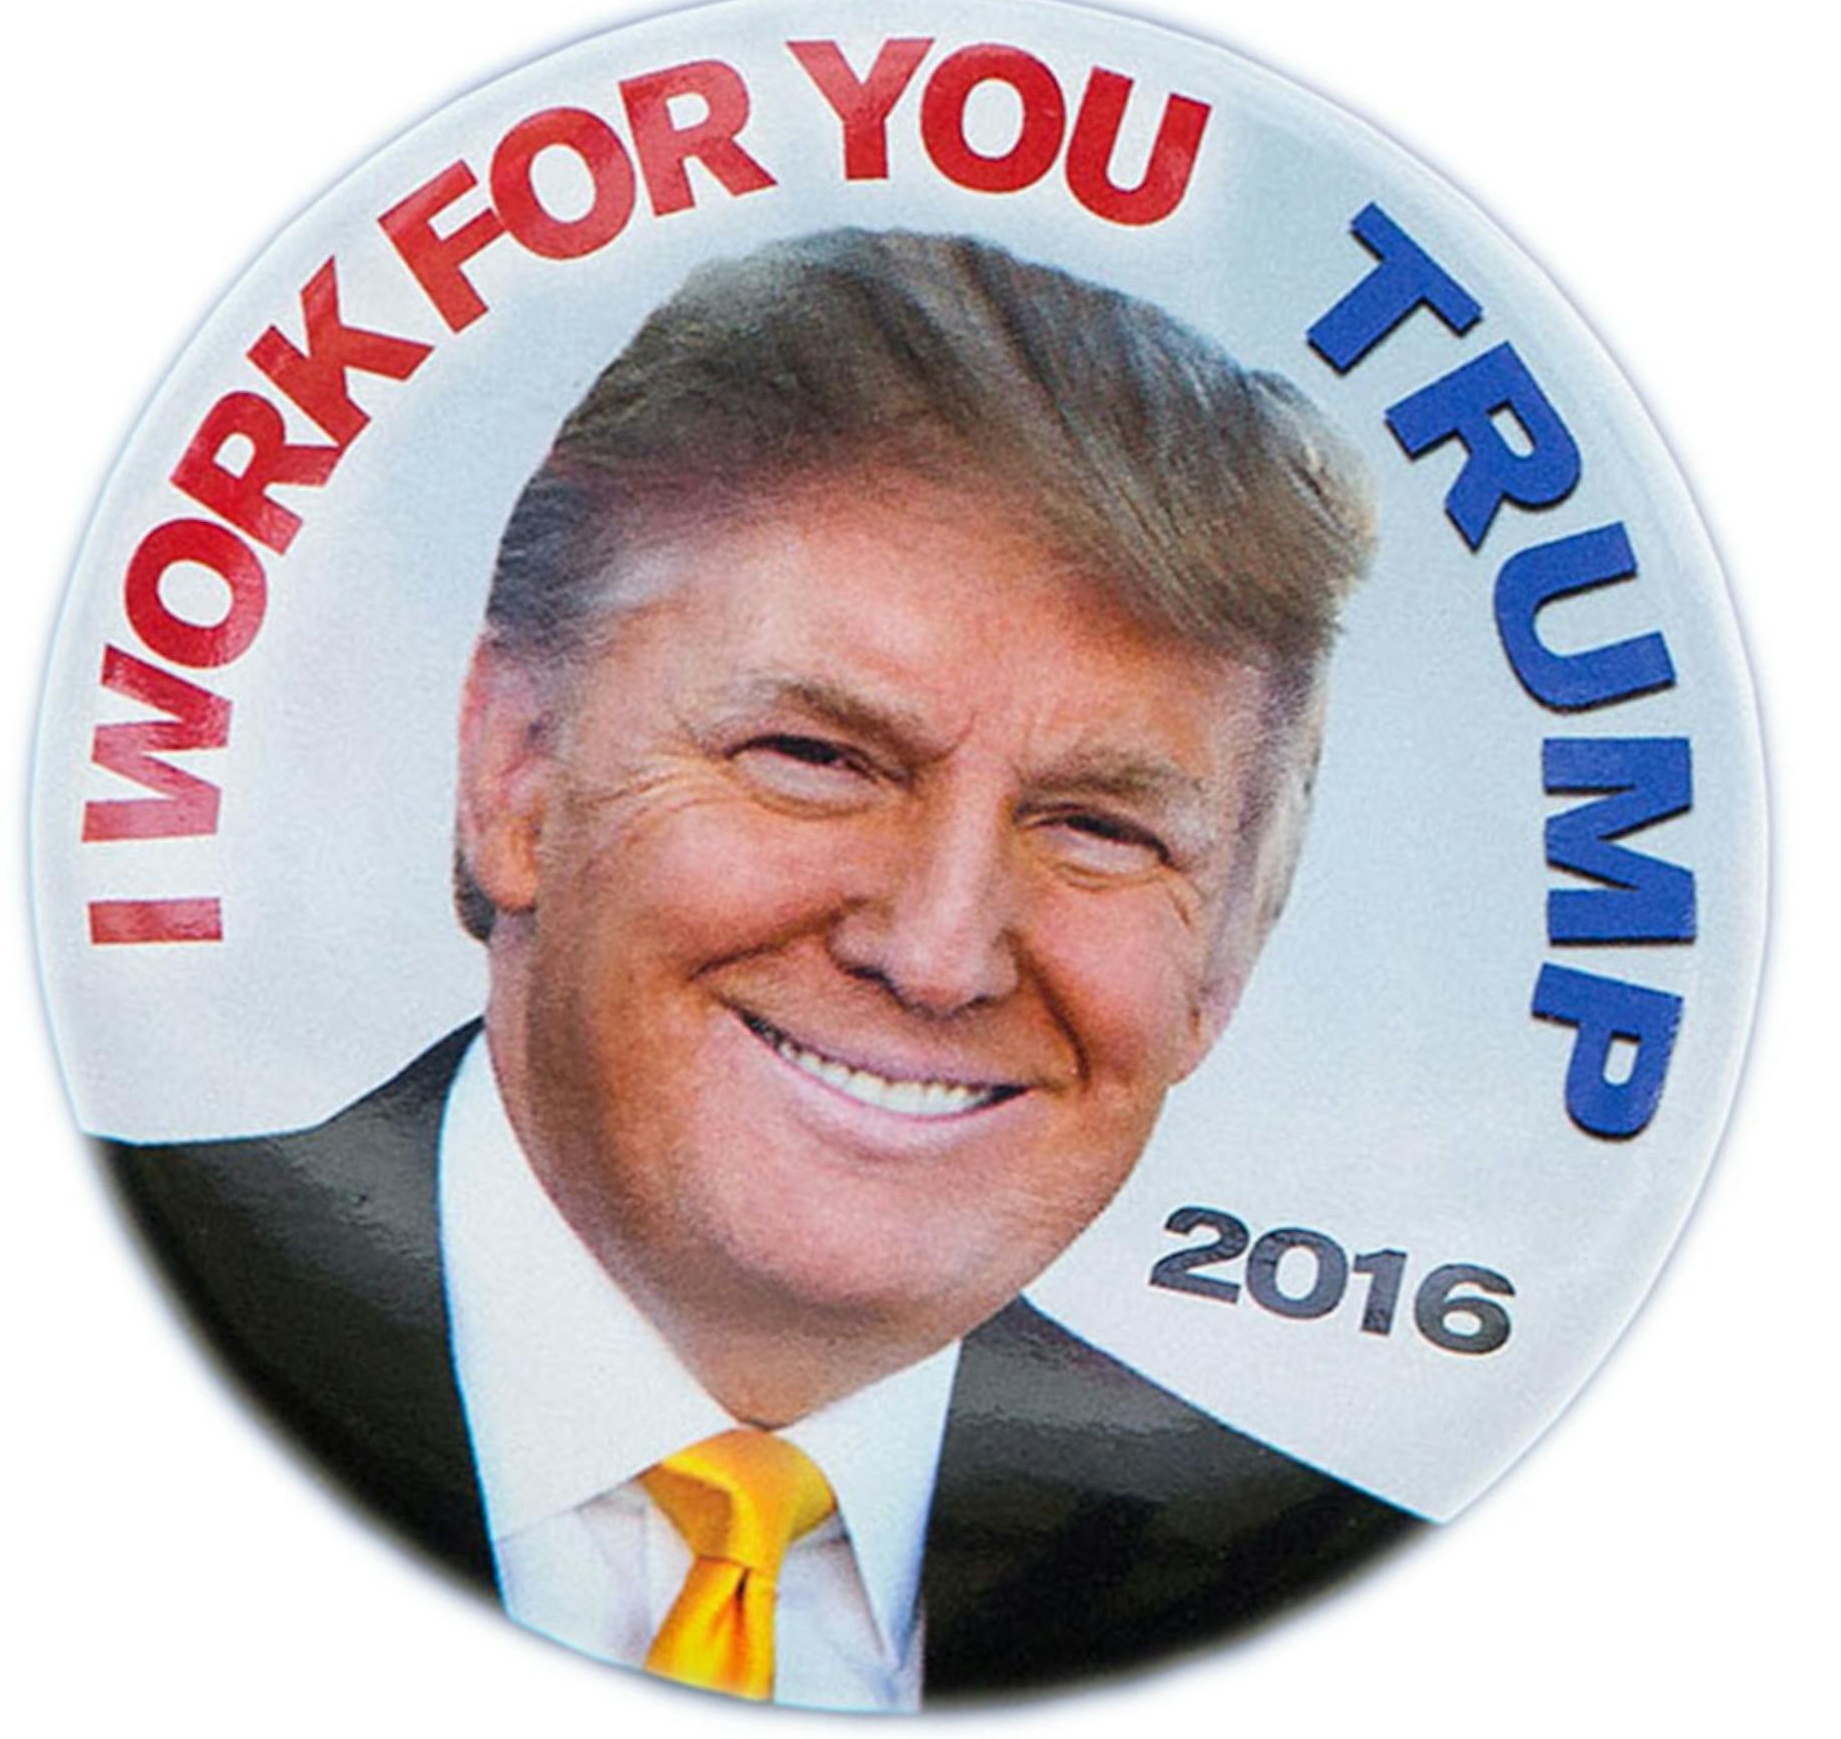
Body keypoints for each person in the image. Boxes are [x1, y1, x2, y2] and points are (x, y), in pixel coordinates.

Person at [105, 229, 1415, 1709]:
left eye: (1102, 829)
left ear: (1225, 963)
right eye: (813, 756)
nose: (937, 951)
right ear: (517, 777)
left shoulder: (1355, 1604)